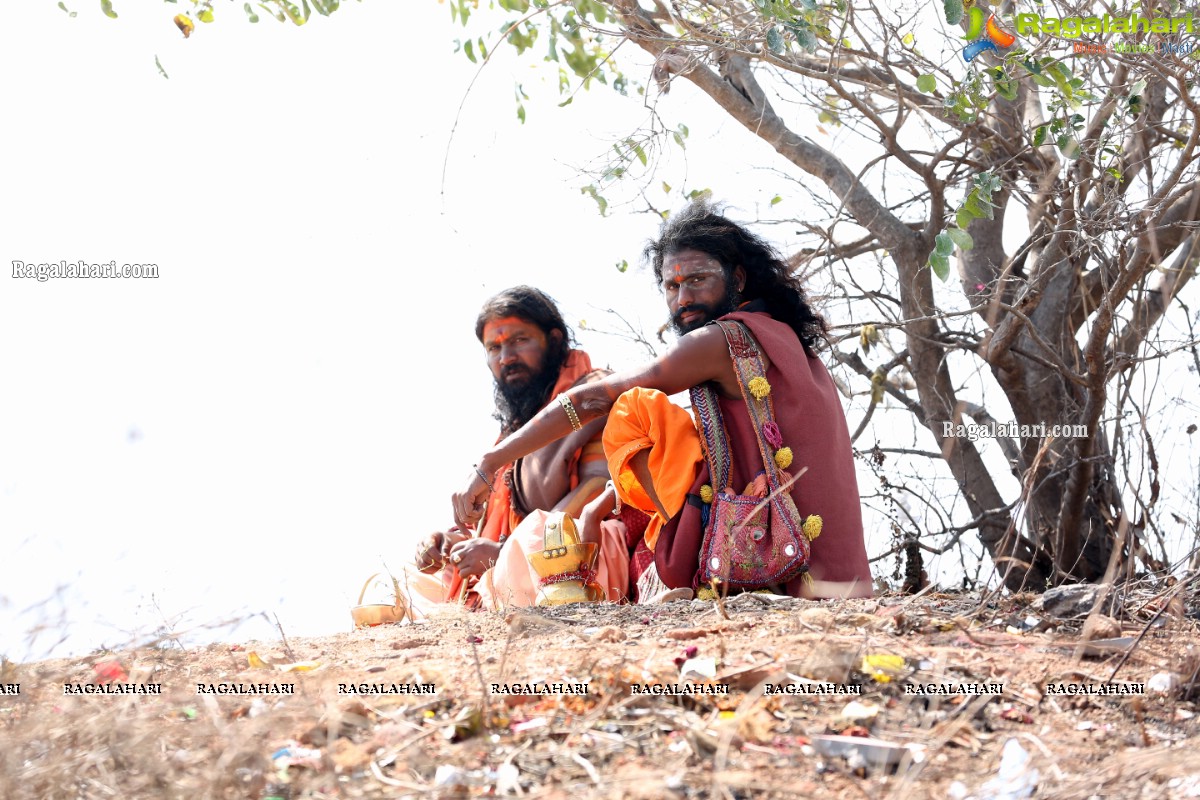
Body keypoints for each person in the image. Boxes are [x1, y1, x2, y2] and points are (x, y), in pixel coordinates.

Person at [453, 202, 872, 599]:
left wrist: (491, 464)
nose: (683, 298)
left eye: (697, 279)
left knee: (634, 409)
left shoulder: (721, 338)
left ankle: (681, 554)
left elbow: (593, 401)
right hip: (834, 572)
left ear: (737, 279)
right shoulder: (779, 338)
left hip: (794, 571)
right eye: (671, 286)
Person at [400, 286, 638, 618]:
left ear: (554, 340)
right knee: (397, 582)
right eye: (494, 348)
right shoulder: (513, 432)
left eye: (518, 341)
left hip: (584, 546)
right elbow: (493, 524)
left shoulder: (594, 392)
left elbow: (599, 487)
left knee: (536, 534)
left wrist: (502, 550)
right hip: (514, 559)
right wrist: (450, 545)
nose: (506, 357)